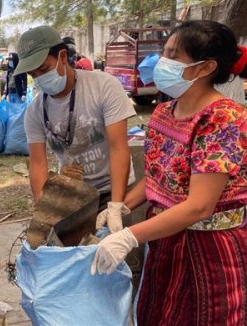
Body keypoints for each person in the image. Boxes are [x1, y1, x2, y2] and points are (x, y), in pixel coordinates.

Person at [91, 20, 246, 325]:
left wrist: (128, 236)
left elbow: (200, 206)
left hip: (210, 250)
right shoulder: (165, 111)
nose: (162, 62)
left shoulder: (224, 119)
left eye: (174, 55)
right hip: (165, 239)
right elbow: (158, 175)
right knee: (157, 314)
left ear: (205, 68)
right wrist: (122, 206)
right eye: (165, 51)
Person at [14, 25, 136, 228]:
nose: (39, 78)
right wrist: (44, 208)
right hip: (73, 195)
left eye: (43, 69)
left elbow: (118, 148)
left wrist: (115, 205)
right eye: (33, 74)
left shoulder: (104, 87)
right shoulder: (35, 111)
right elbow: (37, 163)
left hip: (115, 188)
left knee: (114, 251)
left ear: (62, 57)